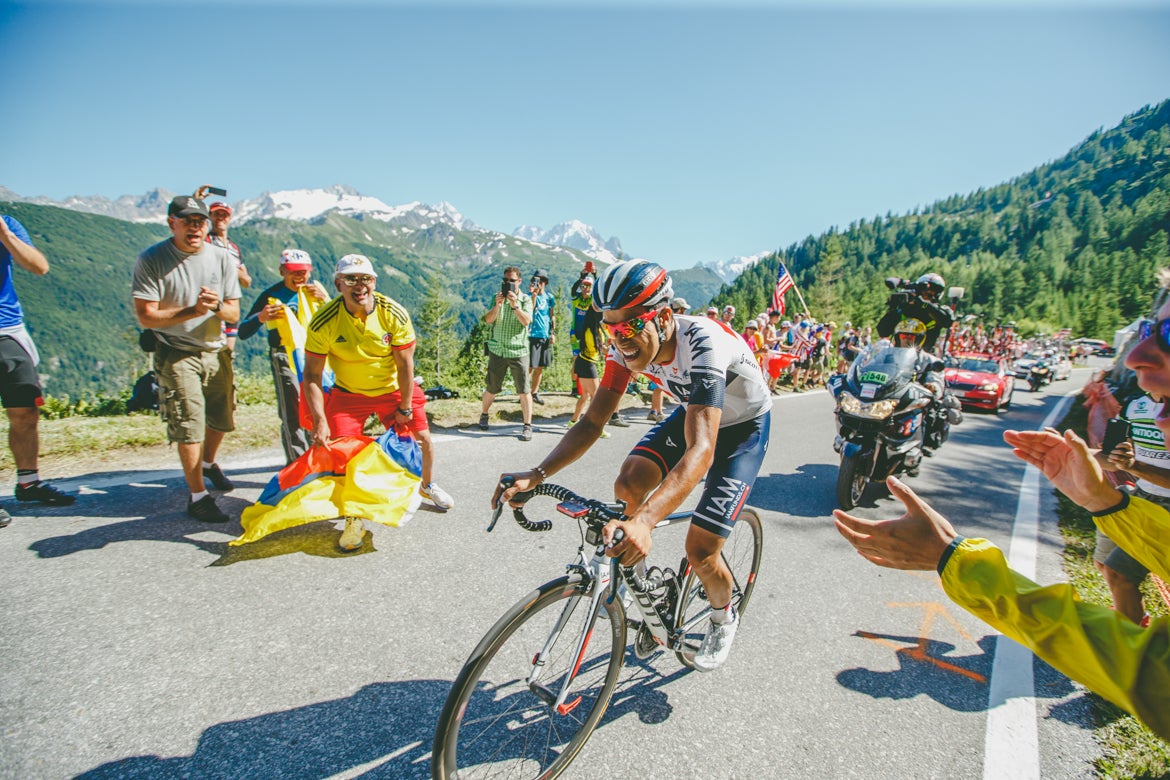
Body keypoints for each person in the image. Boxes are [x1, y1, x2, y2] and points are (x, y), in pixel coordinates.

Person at [833, 304, 1170, 740]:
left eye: (1168, 332)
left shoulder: (928, 358)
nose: (1136, 354)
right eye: (1149, 328)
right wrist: (1106, 503)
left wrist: (953, 558)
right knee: (1113, 570)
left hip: (918, 411)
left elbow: (1149, 672)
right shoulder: (886, 352)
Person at [494, 260, 773, 672]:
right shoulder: (625, 347)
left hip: (742, 429)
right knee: (629, 482)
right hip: (696, 411)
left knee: (700, 549)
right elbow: (592, 421)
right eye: (610, 328)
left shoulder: (704, 344)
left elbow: (702, 450)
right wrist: (537, 475)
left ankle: (722, 616)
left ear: (662, 317)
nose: (619, 340)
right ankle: (643, 587)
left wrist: (644, 521)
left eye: (627, 329)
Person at [303, 254, 454, 550]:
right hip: (348, 392)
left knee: (422, 438)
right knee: (344, 452)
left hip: (393, 387)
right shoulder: (324, 321)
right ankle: (354, 516)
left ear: (374, 282)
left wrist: (406, 407)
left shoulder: (392, 314)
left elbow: (405, 366)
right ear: (338, 284)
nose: (360, 286)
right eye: (351, 279)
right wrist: (320, 420)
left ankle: (427, 485)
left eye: (366, 279)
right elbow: (311, 374)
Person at [132, 195, 241, 523]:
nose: (194, 227)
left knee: (222, 418)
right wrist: (191, 311)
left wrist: (216, 307)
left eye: (200, 221)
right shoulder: (152, 258)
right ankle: (198, 496)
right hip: (176, 351)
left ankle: (207, 463)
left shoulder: (221, 258)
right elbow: (146, 317)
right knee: (189, 423)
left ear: (207, 225)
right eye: (187, 221)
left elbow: (233, 310)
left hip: (215, 349)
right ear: (172, 223)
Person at [0, 213, 74, 526]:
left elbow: (39, 266)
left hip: (8, 329)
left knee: (26, 412)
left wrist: (6, 236)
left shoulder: (7, 223)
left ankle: (29, 483)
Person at [237, 249, 329, 464]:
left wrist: (325, 300)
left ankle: (319, 459)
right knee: (293, 411)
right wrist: (260, 317)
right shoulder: (271, 296)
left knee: (319, 406)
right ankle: (296, 464)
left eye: (303, 272)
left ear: (310, 271)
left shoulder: (315, 292)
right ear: (282, 271)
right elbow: (243, 332)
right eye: (292, 272)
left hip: (315, 356)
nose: (299, 277)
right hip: (284, 357)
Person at [1095, 388, 1170, 626]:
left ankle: (1132, 647)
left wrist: (1134, 465)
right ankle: (1135, 622)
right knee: (1108, 566)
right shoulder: (1133, 405)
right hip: (1141, 496)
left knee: (1119, 573)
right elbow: (1112, 458)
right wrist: (1068, 451)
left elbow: (1129, 464)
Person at [479, 266, 534, 440]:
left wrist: (514, 306)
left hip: (518, 350)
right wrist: (498, 305)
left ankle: (527, 425)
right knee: (492, 387)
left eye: (512, 280)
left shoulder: (525, 299)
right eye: (506, 280)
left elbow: (526, 322)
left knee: (524, 390)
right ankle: (484, 414)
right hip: (497, 349)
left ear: (519, 281)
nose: (508, 283)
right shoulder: (497, 297)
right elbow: (488, 320)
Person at [566, 272, 608, 439]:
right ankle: (596, 427)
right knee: (596, 397)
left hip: (585, 363)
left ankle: (573, 421)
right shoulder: (591, 332)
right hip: (587, 363)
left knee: (585, 396)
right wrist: (605, 350)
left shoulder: (596, 330)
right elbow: (596, 350)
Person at [205, 202, 251, 352]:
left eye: (224, 214)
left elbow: (247, 281)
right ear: (210, 216)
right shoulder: (206, 241)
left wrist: (228, 267)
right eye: (216, 214)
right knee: (209, 349)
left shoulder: (234, 248)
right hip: (211, 303)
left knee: (228, 353)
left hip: (231, 303)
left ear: (229, 218)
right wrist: (233, 268)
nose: (220, 218)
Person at [877, 272, 954, 354]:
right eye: (924, 291)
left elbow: (947, 321)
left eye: (931, 293)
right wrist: (893, 309)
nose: (927, 293)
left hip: (925, 359)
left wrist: (923, 304)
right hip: (899, 357)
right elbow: (883, 331)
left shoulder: (940, 310)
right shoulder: (906, 309)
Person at [527, 269, 556, 405]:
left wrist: (552, 333)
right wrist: (533, 295)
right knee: (530, 366)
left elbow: (552, 316)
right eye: (536, 281)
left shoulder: (549, 297)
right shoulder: (529, 296)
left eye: (542, 281)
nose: (539, 284)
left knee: (540, 366)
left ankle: (534, 392)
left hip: (544, 334)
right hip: (532, 334)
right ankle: (524, 392)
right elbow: (530, 310)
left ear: (545, 282)